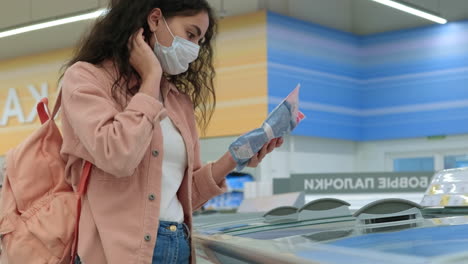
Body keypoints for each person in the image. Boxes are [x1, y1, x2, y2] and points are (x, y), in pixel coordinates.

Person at [59, 0, 283, 263]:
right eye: (190, 34)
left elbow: (186, 195)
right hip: (116, 252)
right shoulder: (86, 79)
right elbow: (117, 155)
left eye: (200, 41)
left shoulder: (178, 102)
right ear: (155, 20)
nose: (195, 50)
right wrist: (151, 77)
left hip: (177, 245)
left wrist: (236, 156)